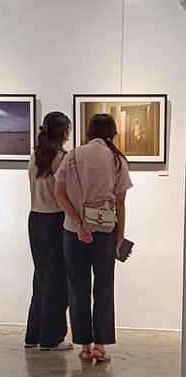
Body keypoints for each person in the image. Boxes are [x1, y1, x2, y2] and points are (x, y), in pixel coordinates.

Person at [54, 113, 132, 362]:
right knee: (104, 288)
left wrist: (78, 223)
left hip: (73, 231)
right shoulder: (118, 159)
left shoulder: (74, 155)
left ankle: (85, 346)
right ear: (113, 133)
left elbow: (60, 194)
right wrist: (120, 238)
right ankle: (100, 345)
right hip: (106, 231)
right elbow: (120, 203)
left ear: (88, 133)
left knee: (77, 288)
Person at [24, 112, 73, 351]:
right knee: (56, 281)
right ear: (64, 132)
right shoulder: (63, 158)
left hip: (35, 219)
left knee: (41, 277)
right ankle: (51, 338)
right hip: (56, 221)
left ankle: (33, 335)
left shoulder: (35, 155)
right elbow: (66, 194)